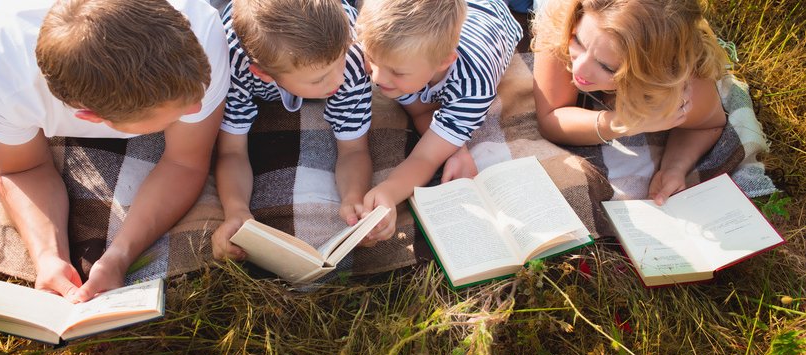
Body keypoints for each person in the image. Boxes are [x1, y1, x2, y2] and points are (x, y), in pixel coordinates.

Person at [0, 0, 230, 302]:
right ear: (90, 116)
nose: (199, 108)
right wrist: (48, 257)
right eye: (178, 111)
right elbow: (21, 169)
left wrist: (120, 256)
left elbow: (185, 162)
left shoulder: (200, 31)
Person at [210, 0, 375, 260]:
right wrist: (236, 210)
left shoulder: (352, 53)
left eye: (339, 62)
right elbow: (231, 151)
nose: (338, 80)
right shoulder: (233, 65)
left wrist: (353, 197)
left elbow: (354, 149)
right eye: (319, 79)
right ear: (263, 74)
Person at [532, 0, 730, 205]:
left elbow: (706, 126)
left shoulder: (681, 83)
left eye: (607, 67)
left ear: (653, 74)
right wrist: (626, 122)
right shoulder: (565, 16)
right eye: (578, 41)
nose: (579, 69)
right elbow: (551, 118)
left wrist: (675, 167)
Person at [356, 0, 523, 241]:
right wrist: (455, 148)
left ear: (444, 61)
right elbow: (422, 112)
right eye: (371, 58)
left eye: (397, 72)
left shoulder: (473, 87)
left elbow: (425, 157)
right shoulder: (405, 62)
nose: (377, 79)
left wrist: (389, 192)